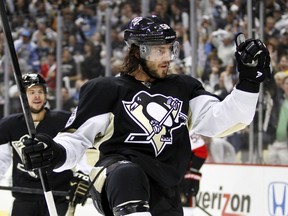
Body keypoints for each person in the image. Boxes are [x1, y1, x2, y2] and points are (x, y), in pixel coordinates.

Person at [21, 16, 270, 216]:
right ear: (138, 52)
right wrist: (52, 152)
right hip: (115, 180)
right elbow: (75, 140)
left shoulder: (183, 87)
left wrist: (248, 81)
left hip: (165, 189)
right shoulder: (106, 89)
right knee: (129, 172)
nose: (167, 58)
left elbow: (223, 120)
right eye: (159, 50)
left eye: (170, 49)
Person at [0, 73, 89, 216]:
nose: (37, 96)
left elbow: (81, 149)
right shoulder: (9, 125)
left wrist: (85, 175)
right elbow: (1, 160)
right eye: (32, 92)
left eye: (40, 91)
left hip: (58, 196)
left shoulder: (63, 120)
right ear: (22, 96)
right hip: (24, 197)